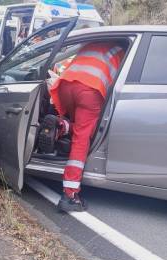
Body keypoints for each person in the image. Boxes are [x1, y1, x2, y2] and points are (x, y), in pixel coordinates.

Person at [43, 41, 125, 212]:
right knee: (83, 137)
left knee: (81, 127)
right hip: (89, 90)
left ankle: (63, 126)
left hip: (66, 85)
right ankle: (70, 195)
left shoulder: (91, 45)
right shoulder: (122, 51)